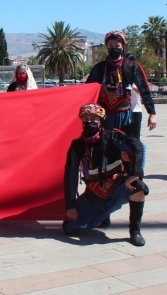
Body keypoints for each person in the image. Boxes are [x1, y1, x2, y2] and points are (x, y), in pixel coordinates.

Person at [63, 104, 148, 246]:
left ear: (101, 120)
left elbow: (138, 146)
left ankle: (135, 230)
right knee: (68, 228)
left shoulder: (112, 137)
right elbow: (70, 175)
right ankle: (103, 215)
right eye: (86, 118)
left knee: (138, 187)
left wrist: (135, 174)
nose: (89, 122)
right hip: (94, 193)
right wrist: (70, 205)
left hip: (117, 185)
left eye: (94, 118)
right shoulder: (77, 145)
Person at [86, 31, 156, 136]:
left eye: (117, 46)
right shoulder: (99, 68)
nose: (113, 48)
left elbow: (144, 90)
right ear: (106, 47)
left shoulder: (131, 66)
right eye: (110, 46)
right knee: (106, 148)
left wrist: (152, 113)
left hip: (124, 116)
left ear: (122, 46)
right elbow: (88, 89)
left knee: (125, 148)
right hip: (104, 115)